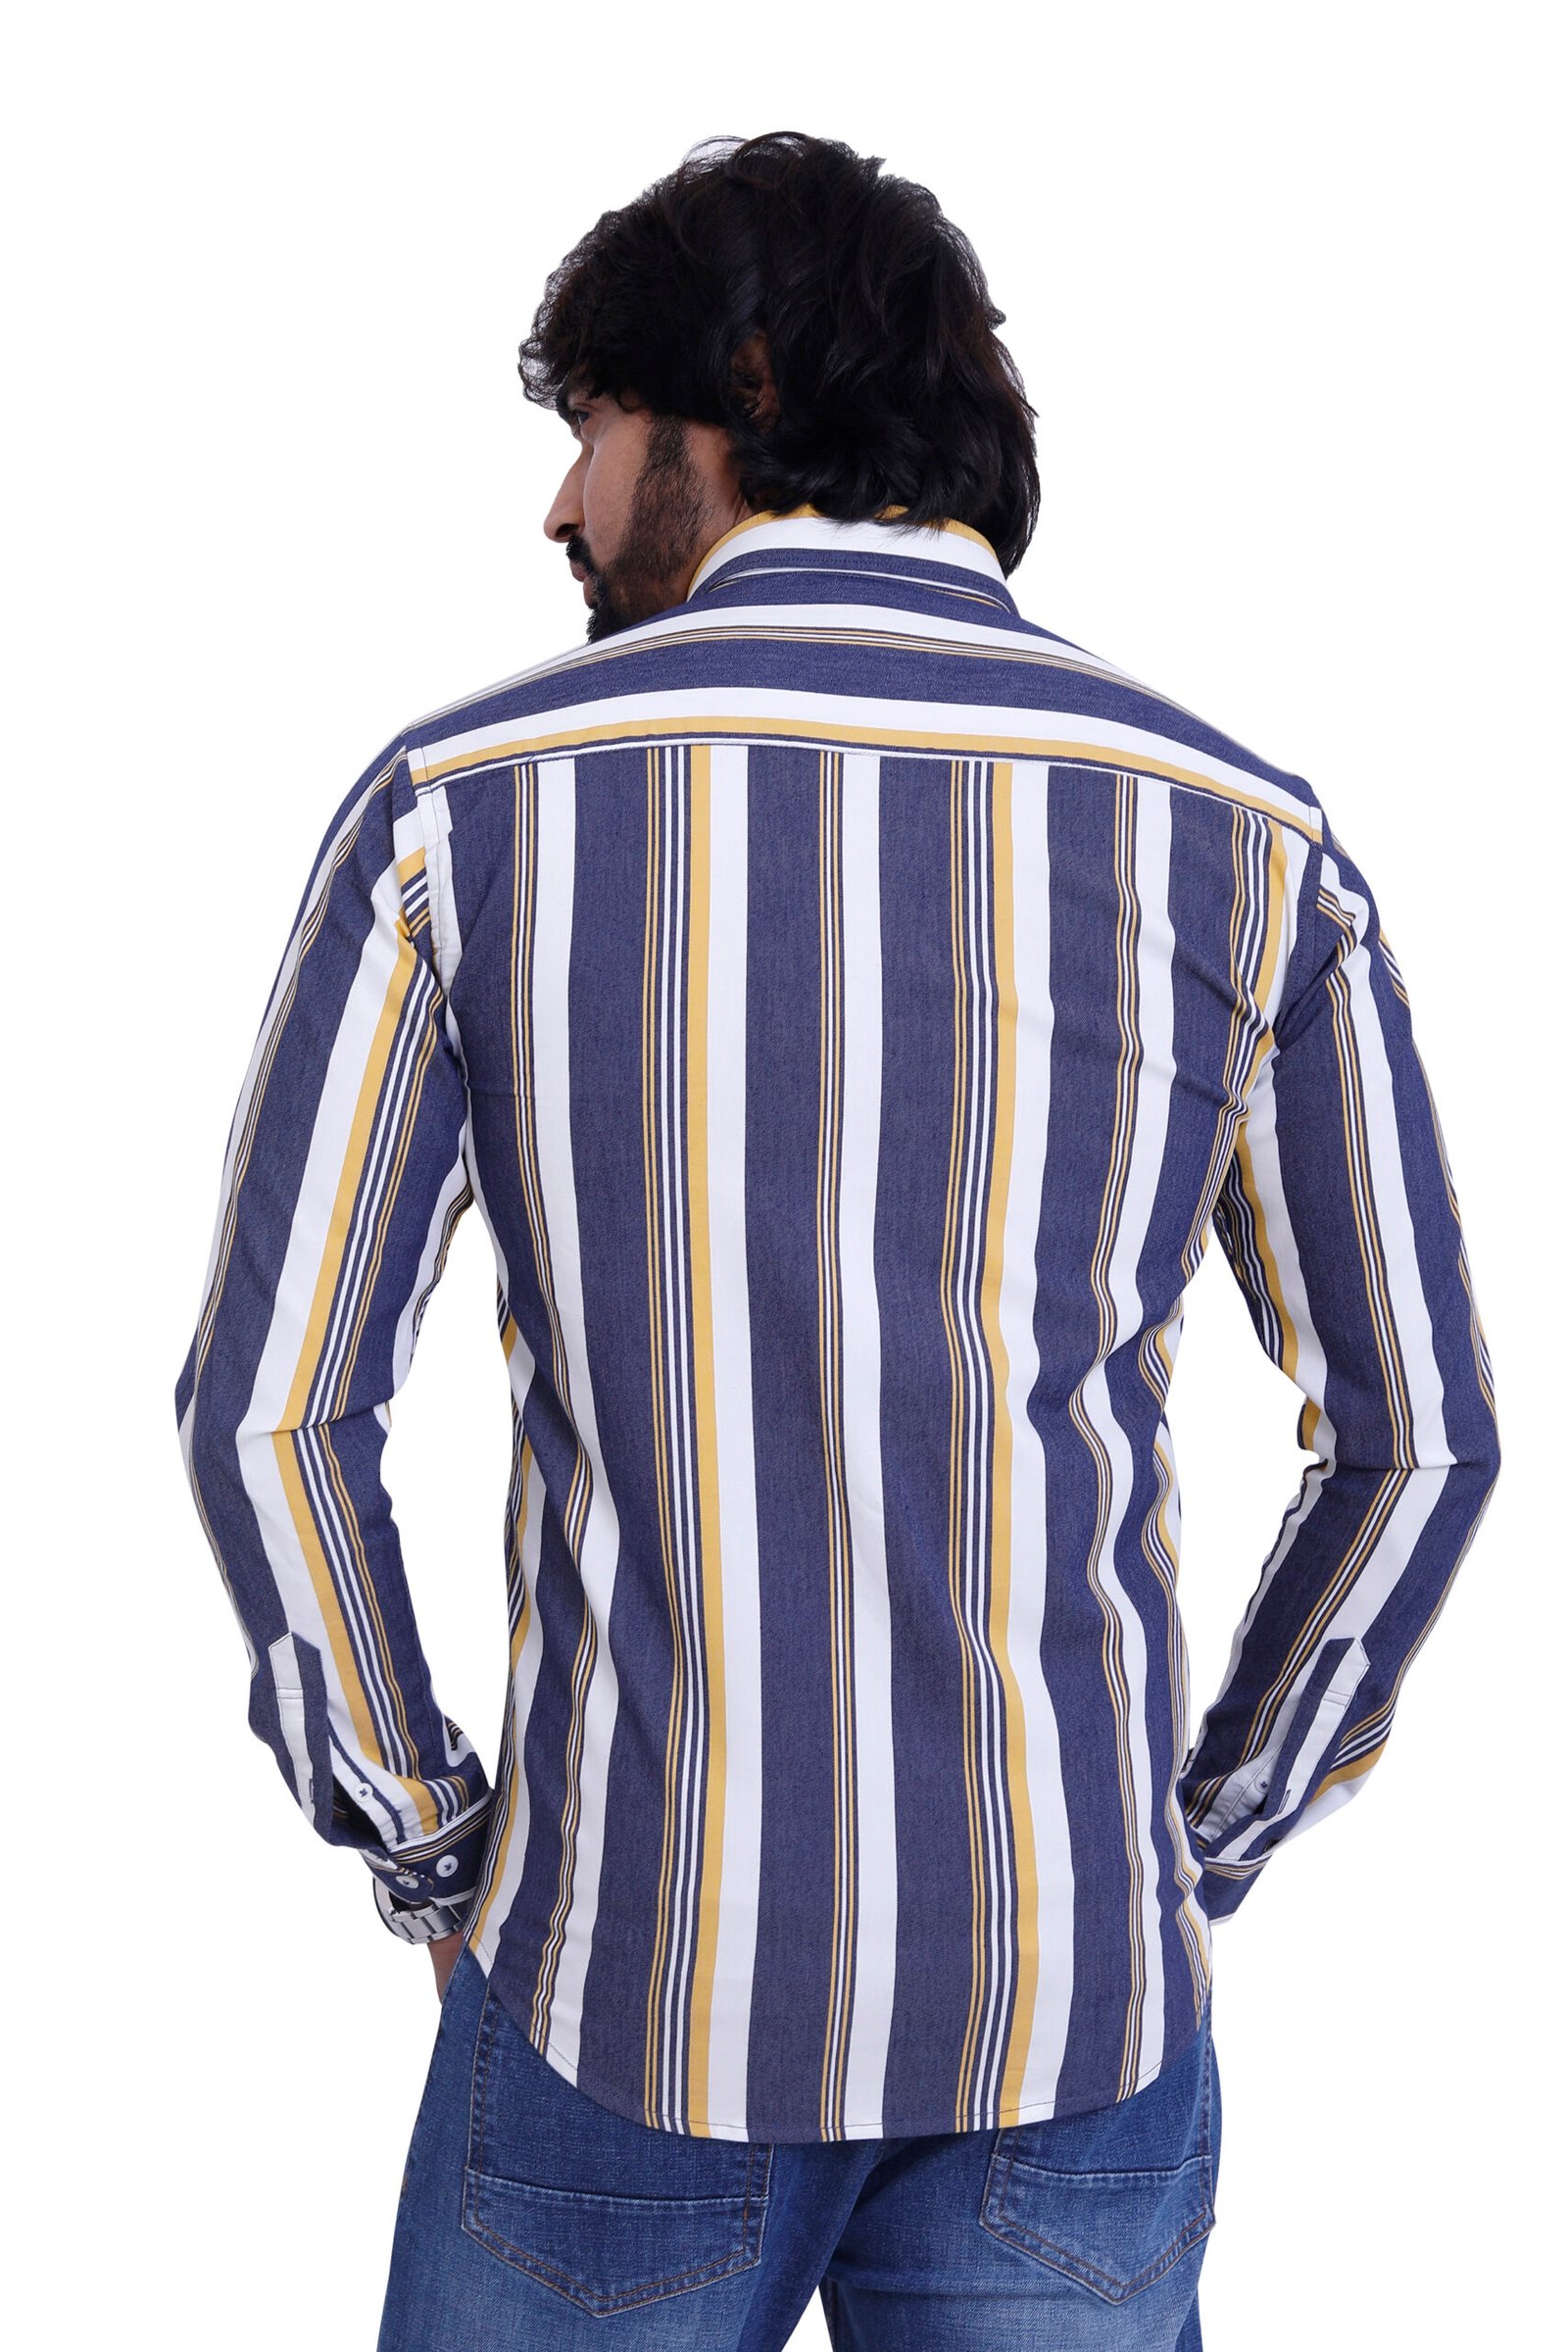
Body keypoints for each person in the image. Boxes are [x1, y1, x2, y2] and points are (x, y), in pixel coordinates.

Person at [172, 129, 1501, 2351]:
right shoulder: (1243, 836)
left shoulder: (460, 813)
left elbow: (267, 1414)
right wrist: (1189, 1848)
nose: (562, 504)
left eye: (595, 423)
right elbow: (1424, 1436)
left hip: (622, 1997)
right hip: (1075, 2023)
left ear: (748, 389)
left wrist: (427, 1846)